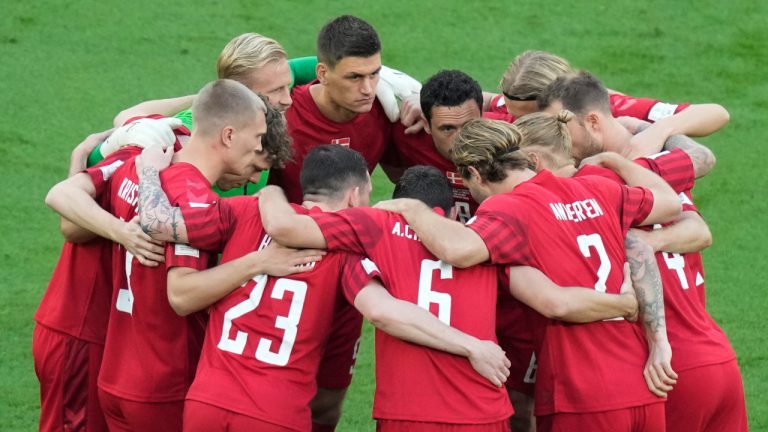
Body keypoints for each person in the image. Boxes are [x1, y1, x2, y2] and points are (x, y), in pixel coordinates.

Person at [131, 145, 513, 431]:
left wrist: (147, 170)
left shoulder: (247, 210)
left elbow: (163, 223)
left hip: (206, 402)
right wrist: (471, 346)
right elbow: (383, 311)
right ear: (353, 196)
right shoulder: (344, 250)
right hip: (275, 412)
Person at [258, 161, 658, 431]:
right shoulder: (489, 240)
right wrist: (623, 304)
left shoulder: (373, 229)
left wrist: (272, 191)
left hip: (406, 412)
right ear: (452, 214)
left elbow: (292, 229)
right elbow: (555, 301)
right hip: (483, 411)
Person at [370, 118, 682, 432]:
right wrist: (617, 160)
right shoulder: (596, 188)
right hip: (643, 384)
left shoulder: (509, 209)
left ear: (476, 174)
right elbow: (670, 204)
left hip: (582, 393)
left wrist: (413, 209)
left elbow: (457, 250)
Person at [44, 79, 293, 431]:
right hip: (163, 381)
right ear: (227, 135)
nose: (257, 157)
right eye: (256, 142)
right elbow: (182, 294)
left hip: (116, 373)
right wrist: (259, 262)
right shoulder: (191, 198)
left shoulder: (139, 164)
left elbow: (65, 205)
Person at [515, 111, 748, 432]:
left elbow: (635, 248)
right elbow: (700, 192)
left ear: (533, 159)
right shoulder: (640, 179)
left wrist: (658, 340)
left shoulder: (551, 202)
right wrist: (641, 133)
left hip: (659, 366)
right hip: (716, 351)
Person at [33, 128, 170, 432]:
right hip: (80, 329)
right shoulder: (142, 155)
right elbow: (70, 225)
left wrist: (79, 160)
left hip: (96, 332)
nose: (285, 100)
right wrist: (122, 231)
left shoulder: (151, 158)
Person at [489, 50, 729, 145]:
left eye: (534, 116)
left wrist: (658, 132)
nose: (521, 123)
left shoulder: (608, 109)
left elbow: (715, 114)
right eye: (514, 114)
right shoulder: (514, 103)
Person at [537, 70, 721, 165]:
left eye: (561, 125)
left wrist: (658, 130)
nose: (555, 138)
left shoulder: (621, 109)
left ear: (593, 121)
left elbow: (716, 113)